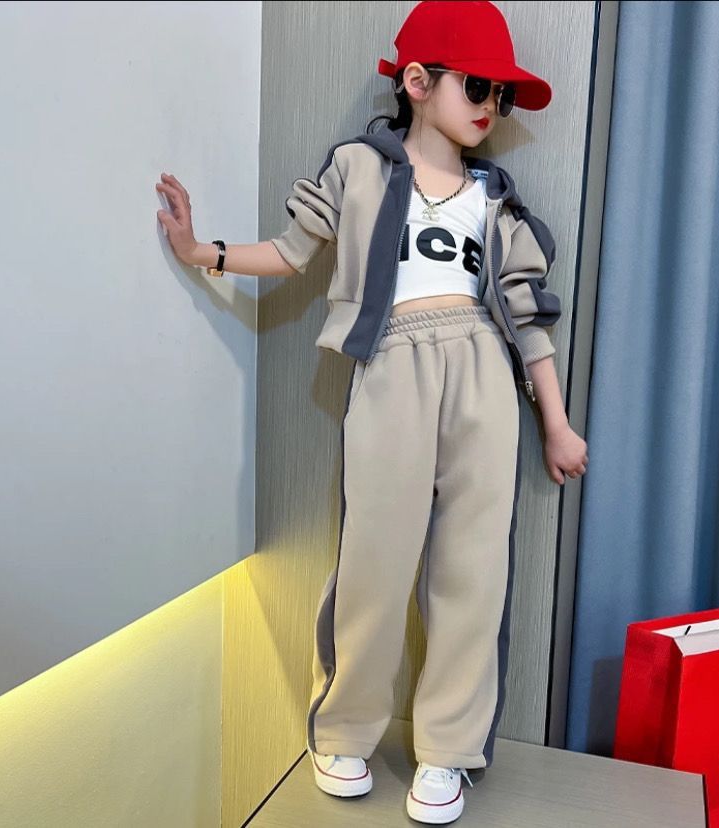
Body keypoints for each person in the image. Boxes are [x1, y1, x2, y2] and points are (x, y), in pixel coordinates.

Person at [156, 1, 588, 822]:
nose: (491, 106)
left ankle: (448, 750)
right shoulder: (358, 166)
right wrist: (202, 250)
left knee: (473, 571)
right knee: (374, 561)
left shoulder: (495, 196)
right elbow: (291, 253)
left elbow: (528, 319)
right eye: (478, 86)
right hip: (391, 364)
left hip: (482, 372)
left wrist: (556, 424)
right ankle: (345, 729)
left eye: (501, 93)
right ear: (418, 82)